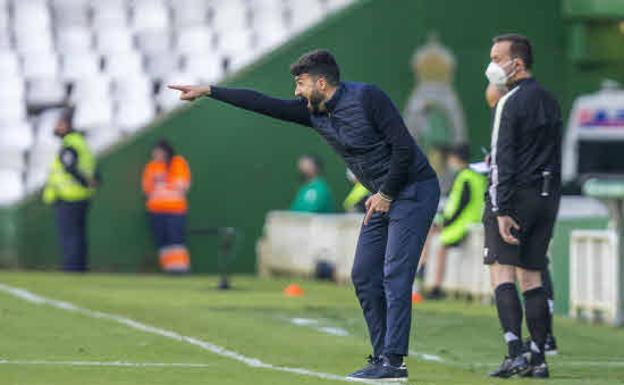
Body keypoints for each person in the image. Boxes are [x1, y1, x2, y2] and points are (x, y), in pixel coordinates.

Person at [169, 49, 440, 381]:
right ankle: (381, 356)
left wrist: (385, 193)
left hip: (413, 190)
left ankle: (394, 363)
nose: (296, 92)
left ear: (321, 82)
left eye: (300, 83)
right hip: (382, 197)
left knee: (394, 275)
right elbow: (261, 102)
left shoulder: (368, 98)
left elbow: (403, 148)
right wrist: (210, 91)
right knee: (364, 276)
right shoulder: (312, 112)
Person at [483, 34, 562, 378]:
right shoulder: (550, 99)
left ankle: (515, 350)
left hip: (516, 199)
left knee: (502, 271)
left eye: (498, 58)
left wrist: (500, 210)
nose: (493, 65)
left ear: (517, 63)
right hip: (547, 197)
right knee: (532, 276)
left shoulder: (509, 102)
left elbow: (502, 160)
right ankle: (539, 359)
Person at [426, 144, 487, 300]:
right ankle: (428, 279)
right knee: (435, 239)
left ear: (456, 158)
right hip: (471, 221)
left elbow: (460, 204)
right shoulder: (476, 176)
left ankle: (435, 286)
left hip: (462, 223)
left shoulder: (464, 177)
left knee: (439, 246)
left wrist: (446, 222)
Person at [43, 107, 97, 272]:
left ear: (66, 125)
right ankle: (79, 267)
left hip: (69, 197)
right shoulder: (80, 142)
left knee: (70, 236)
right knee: (78, 235)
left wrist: (84, 182)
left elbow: (70, 167)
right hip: (80, 196)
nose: (55, 128)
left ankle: (72, 268)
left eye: (58, 124)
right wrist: (90, 182)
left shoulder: (70, 145)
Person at [142, 140, 192, 273]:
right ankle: (168, 268)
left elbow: (181, 185)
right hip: (156, 210)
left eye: (158, 151)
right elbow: (147, 188)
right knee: (161, 239)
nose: (156, 154)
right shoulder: (152, 166)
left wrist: (163, 185)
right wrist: (164, 186)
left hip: (175, 209)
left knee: (175, 239)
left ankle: (180, 268)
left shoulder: (177, 163)